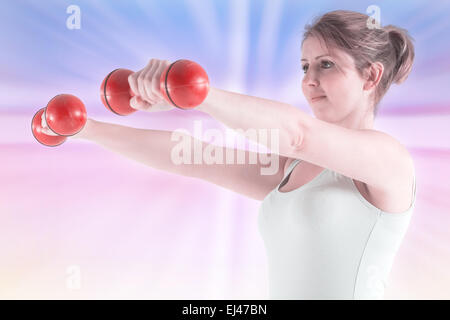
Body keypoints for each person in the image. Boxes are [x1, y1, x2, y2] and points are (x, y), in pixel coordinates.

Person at [43, 9, 417, 299]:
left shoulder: (388, 160)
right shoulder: (295, 169)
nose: (309, 80)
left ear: (370, 77)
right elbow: (189, 156)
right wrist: (86, 129)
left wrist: (196, 93)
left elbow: (297, 135)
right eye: (305, 66)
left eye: (326, 64)